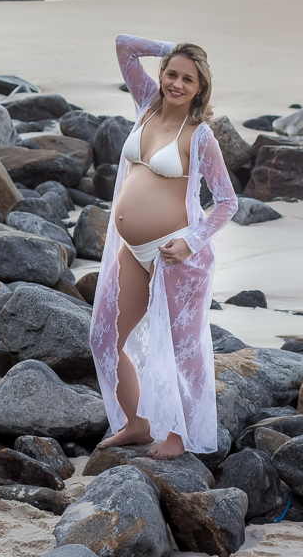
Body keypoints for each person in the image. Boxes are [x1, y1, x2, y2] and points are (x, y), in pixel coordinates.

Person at [89, 34, 237, 459]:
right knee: (104, 336)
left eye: (187, 79)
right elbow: (122, 46)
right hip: (132, 251)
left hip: (176, 257)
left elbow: (227, 202)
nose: (176, 83)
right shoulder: (147, 106)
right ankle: (136, 424)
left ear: (199, 88)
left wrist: (191, 241)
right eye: (171, 73)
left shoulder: (200, 135)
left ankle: (178, 435)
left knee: (180, 348)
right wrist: (177, 46)